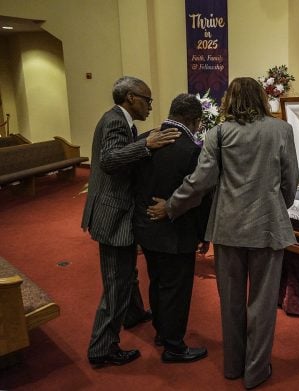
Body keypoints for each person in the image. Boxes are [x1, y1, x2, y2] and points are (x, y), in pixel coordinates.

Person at [148, 77, 299, 389]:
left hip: (228, 229)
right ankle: (256, 372)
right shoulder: (281, 130)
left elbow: (201, 180)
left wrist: (172, 205)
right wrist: (276, 207)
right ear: (261, 98)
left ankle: (232, 366)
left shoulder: (218, 133)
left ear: (229, 99)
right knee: (263, 303)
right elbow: (291, 180)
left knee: (230, 302)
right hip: (268, 227)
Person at [82, 76, 181, 367]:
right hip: (113, 214)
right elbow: (110, 160)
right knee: (116, 281)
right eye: (147, 99)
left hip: (114, 211)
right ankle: (102, 348)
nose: (150, 105)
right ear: (130, 97)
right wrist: (146, 145)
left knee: (127, 273)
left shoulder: (121, 120)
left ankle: (134, 313)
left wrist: (143, 138)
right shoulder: (115, 120)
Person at [132, 93, 212, 363]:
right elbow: (198, 196)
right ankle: (174, 346)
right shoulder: (191, 150)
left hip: (147, 226)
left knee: (157, 282)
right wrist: (204, 234)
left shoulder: (146, 140)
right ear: (194, 120)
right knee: (177, 290)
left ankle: (160, 332)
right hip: (177, 231)